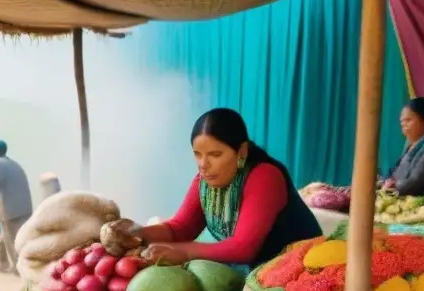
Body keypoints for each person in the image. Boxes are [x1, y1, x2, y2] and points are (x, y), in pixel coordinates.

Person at [107, 108, 321, 270]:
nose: (203, 164)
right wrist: (137, 233)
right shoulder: (204, 180)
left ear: (242, 151)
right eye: (197, 154)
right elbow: (181, 228)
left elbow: (243, 248)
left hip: (302, 269)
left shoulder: (265, 177)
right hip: (256, 272)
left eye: (215, 155)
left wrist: (182, 252)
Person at [0, 139, 33, 274]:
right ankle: (2, 263)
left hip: (10, 210)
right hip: (24, 208)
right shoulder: (14, 164)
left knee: (12, 241)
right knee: (14, 238)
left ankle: (18, 268)